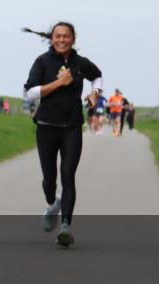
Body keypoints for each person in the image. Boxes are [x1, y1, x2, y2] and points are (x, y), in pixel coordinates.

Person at [23, 22, 102, 247]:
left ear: (73, 39)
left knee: (68, 175)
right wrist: (58, 83)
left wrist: (95, 92)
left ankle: (65, 227)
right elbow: (30, 92)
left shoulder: (80, 62)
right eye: (58, 36)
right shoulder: (42, 61)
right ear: (52, 38)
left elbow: (97, 75)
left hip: (72, 126)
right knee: (49, 179)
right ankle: (51, 204)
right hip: (46, 126)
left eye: (66, 36)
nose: (62, 40)